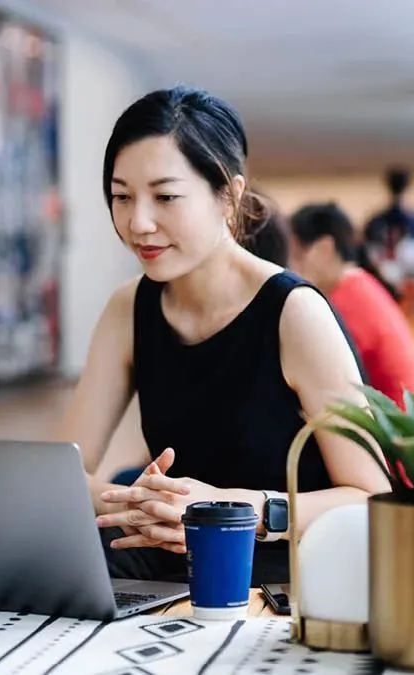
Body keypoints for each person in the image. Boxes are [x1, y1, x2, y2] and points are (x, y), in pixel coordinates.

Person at [60, 86, 391, 586]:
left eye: (166, 197)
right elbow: (60, 474)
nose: (138, 222)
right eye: (121, 196)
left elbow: (371, 498)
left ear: (230, 196)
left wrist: (233, 510)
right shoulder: (129, 307)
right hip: (176, 557)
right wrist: (142, 504)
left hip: (291, 570)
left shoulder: (293, 312)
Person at [287, 202, 414, 407]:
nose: (291, 268)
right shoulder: (360, 287)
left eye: (296, 256)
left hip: (389, 434)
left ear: (324, 249)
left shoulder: (345, 303)